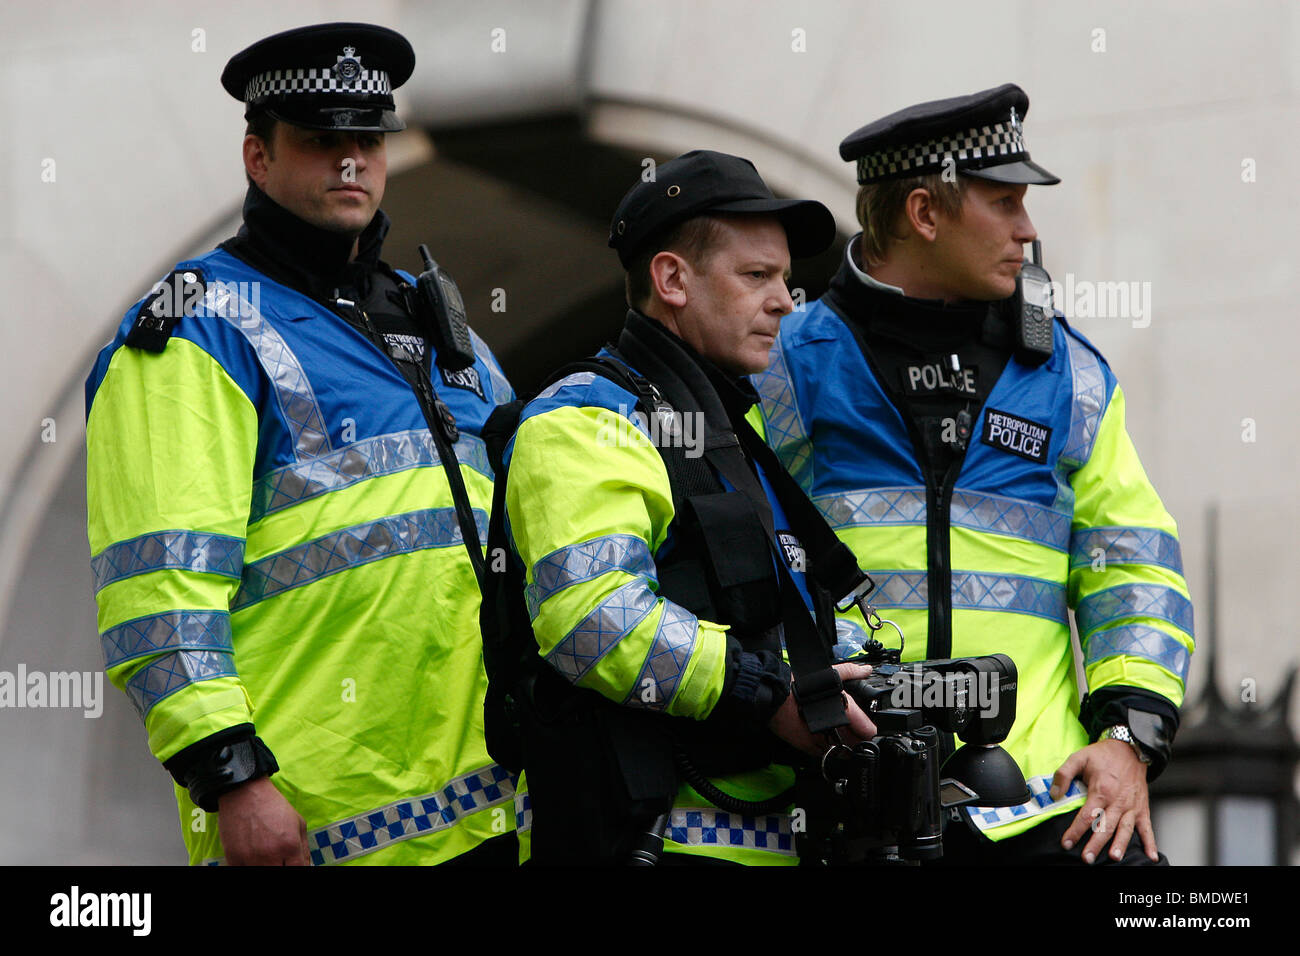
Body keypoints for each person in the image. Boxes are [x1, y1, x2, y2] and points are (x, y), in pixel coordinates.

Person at [85, 22, 517, 866]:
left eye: (369, 138)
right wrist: (231, 775)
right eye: (322, 140)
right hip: (318, 825)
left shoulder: (434, 321)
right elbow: (158, 582)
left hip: (493, 808)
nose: (352, 161)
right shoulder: (194, 327)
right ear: (259, 157)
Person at [754, 84, 1193, 865]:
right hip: (849, 810)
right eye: (1005, 203)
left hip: (1045, 809)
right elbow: (738, 564)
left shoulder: (1069, 374)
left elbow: (1133, 567)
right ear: (926, 214)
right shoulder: (787, 365)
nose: (1029, 230)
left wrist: (1128, 738)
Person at [499, 150, 877, 865]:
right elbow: (591, 618)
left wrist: (856, 681)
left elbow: (771, 618)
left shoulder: (734, 431)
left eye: (787, 281)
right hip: (643, 845)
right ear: (672, 279)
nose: (786, 303)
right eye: (757, 277)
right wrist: (768, 694)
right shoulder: (583, 419)